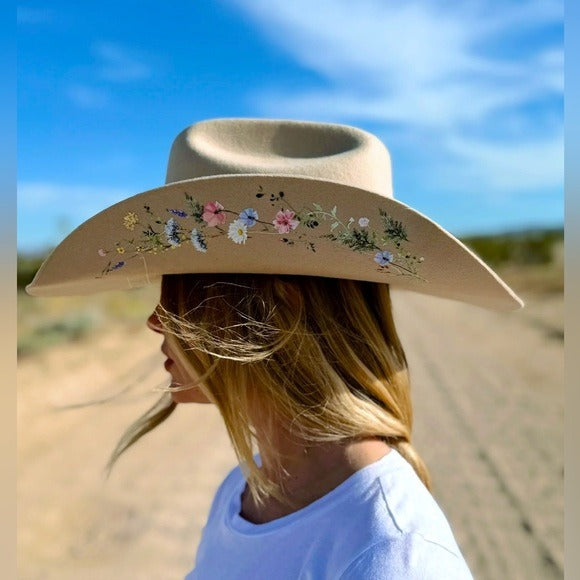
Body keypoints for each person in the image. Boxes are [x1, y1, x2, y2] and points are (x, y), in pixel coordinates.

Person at [27, 118, 523, 578]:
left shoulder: (394, 554)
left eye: (180, 293)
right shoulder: (246, 491)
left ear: (272, 313)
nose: (157, 320)